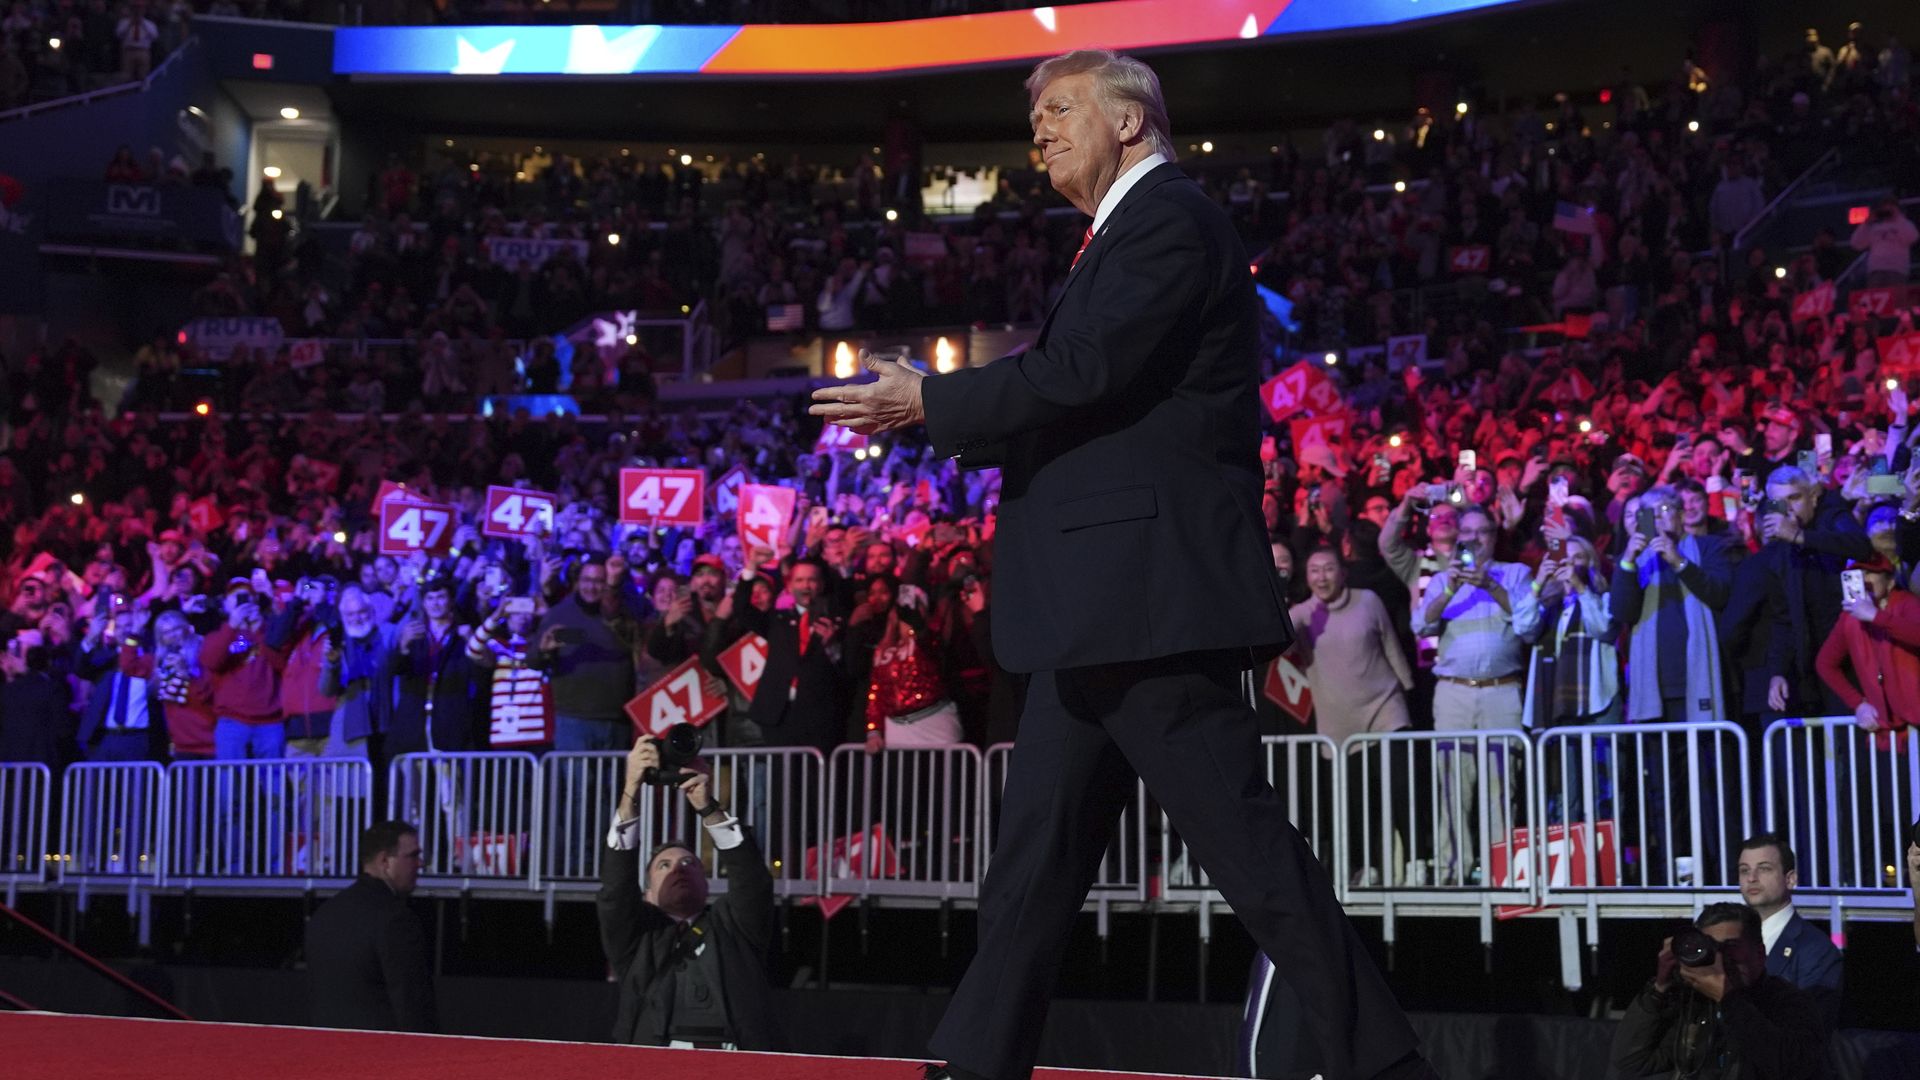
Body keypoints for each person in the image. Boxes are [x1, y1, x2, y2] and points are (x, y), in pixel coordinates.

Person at [811, 48, 1433, 1080]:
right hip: (1093, 611)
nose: (1040, 132)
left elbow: (1079, 371)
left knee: (1250, 857)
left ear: (1132, 121)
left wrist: (932, 400)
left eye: (1060, 110)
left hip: (1146, 604)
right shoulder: (1123, 236)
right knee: (1032, 872)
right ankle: (974, 1063)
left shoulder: (1171, 220)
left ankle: (1384, 1065)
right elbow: (1085, 397)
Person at [598, 736, 777, 1049]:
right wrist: (631, 790)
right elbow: (615, 888)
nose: (678, 868)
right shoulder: (636, 938)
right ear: (647, 893)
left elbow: (752, 879)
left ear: (706, 884)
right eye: (663, 866)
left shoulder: (734, 928)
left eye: (688, 862)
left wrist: (707, 806)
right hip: (651, 1065)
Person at [1413, 505, 1541, 887]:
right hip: (1453, 692)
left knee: (1503, 787)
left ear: (1493, 534)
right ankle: (1453, 871)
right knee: (1454, 784)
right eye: (1465, 534)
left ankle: (1501, 873)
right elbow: (1421, 625)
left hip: (1502, 691)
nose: (1473, 539)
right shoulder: (1441, 578)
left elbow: (1529, 626)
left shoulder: (1515, 574)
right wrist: (1452, 587)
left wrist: (1490, 586)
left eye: (1481, 532)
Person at [1609, 903, 1828, 1080]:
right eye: (1711, 947)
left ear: (1760, 954)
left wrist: (1728, 999)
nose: (1721, 958)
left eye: (1731, 947)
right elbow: (1631, 1062)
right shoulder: (1696, 1004)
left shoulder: (1789, 1002)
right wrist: (1660, 988)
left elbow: (1791, 1068)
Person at [304, 820, 436, 1033]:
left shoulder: (325, 913)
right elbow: (411, 1001)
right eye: (412, 856)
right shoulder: (395, 918)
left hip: (327, 1050)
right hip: (383, 1055)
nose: (419, 864)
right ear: (385, 861)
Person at [1735, 832, 1842, 1028]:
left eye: (1764, 869)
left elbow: (1812, 1030)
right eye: (1744, 870)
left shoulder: (1817, 950)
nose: (1751, 878)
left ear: (1790, 879)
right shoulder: (1731, 940)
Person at [532, 558, 638, 752]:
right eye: (586, 580)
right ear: (577, 582)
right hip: (573, 720)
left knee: (614, 783)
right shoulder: (559, 613)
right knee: (577, 783)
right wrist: (543, 650)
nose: (591, 587)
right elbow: (532, 661)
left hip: (617, 720)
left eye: (599, 581)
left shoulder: (625, 613)